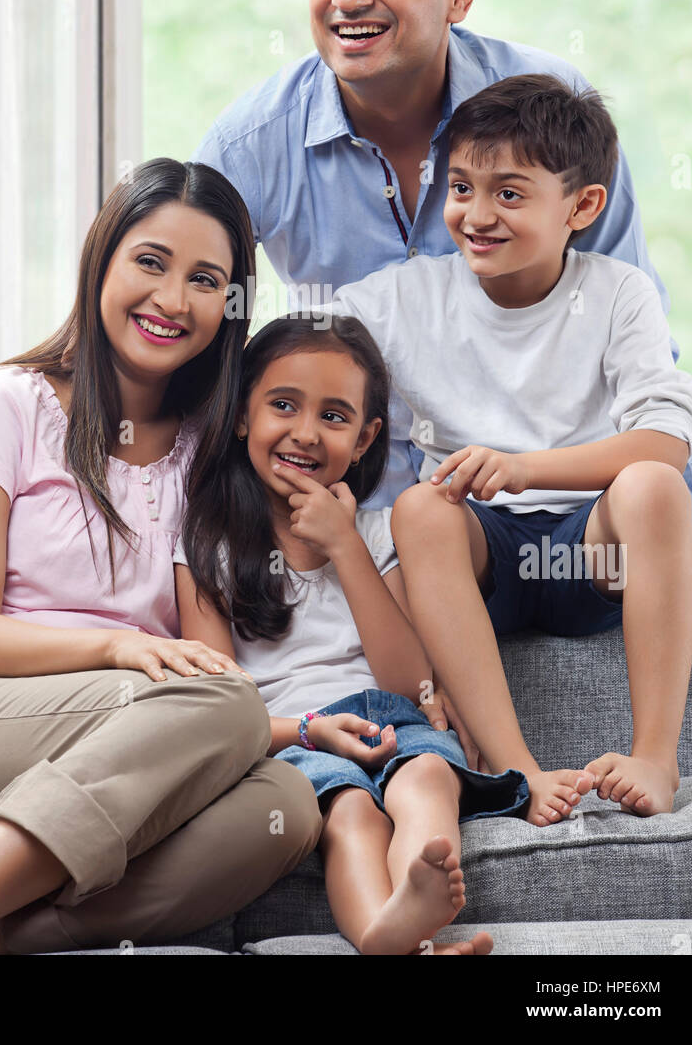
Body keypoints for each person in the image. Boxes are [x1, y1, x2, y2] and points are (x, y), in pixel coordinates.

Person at [0, 0, 692, 616]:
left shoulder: (549, 114)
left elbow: (637, 346)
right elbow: (167, 329)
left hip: (565, 499)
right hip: (374, 506)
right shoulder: (251, 145)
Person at [0, 160, 320, 956]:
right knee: (231, 708)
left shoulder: (206, 456)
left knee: (288, 803)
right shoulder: (3, 403)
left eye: (206, 279)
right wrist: (118, 645)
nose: (172, 300)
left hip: (116, 738)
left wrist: (301, 726)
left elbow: (211, 669)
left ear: (230, 306)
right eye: (150, 262)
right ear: (102, 260)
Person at [322, 74, 692, 818]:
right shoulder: (402, 300)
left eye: (511, 194)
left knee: (652, 484)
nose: (477, 215)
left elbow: (666, 441)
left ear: (582, 207)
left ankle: (656, 758)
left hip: (585, 554)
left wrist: (524, 469)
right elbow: (290, 351)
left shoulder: (619, 293)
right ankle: (515, 768)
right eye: (462, 187)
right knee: (422, 509)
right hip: (478, 559)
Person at [172, 311, 594, 956]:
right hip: (293, 733)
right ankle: (385, 935)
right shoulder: (207, 546)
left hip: (394, 718)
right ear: (239, 415)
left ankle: (418, 907)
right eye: (283, 405)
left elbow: (407, 679)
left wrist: (346, 549)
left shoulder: (375, 535)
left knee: (428, 777)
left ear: (366, 438)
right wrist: (308, 730)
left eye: (335, 417)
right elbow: (221, 703)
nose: (306, 434)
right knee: (350, 812)